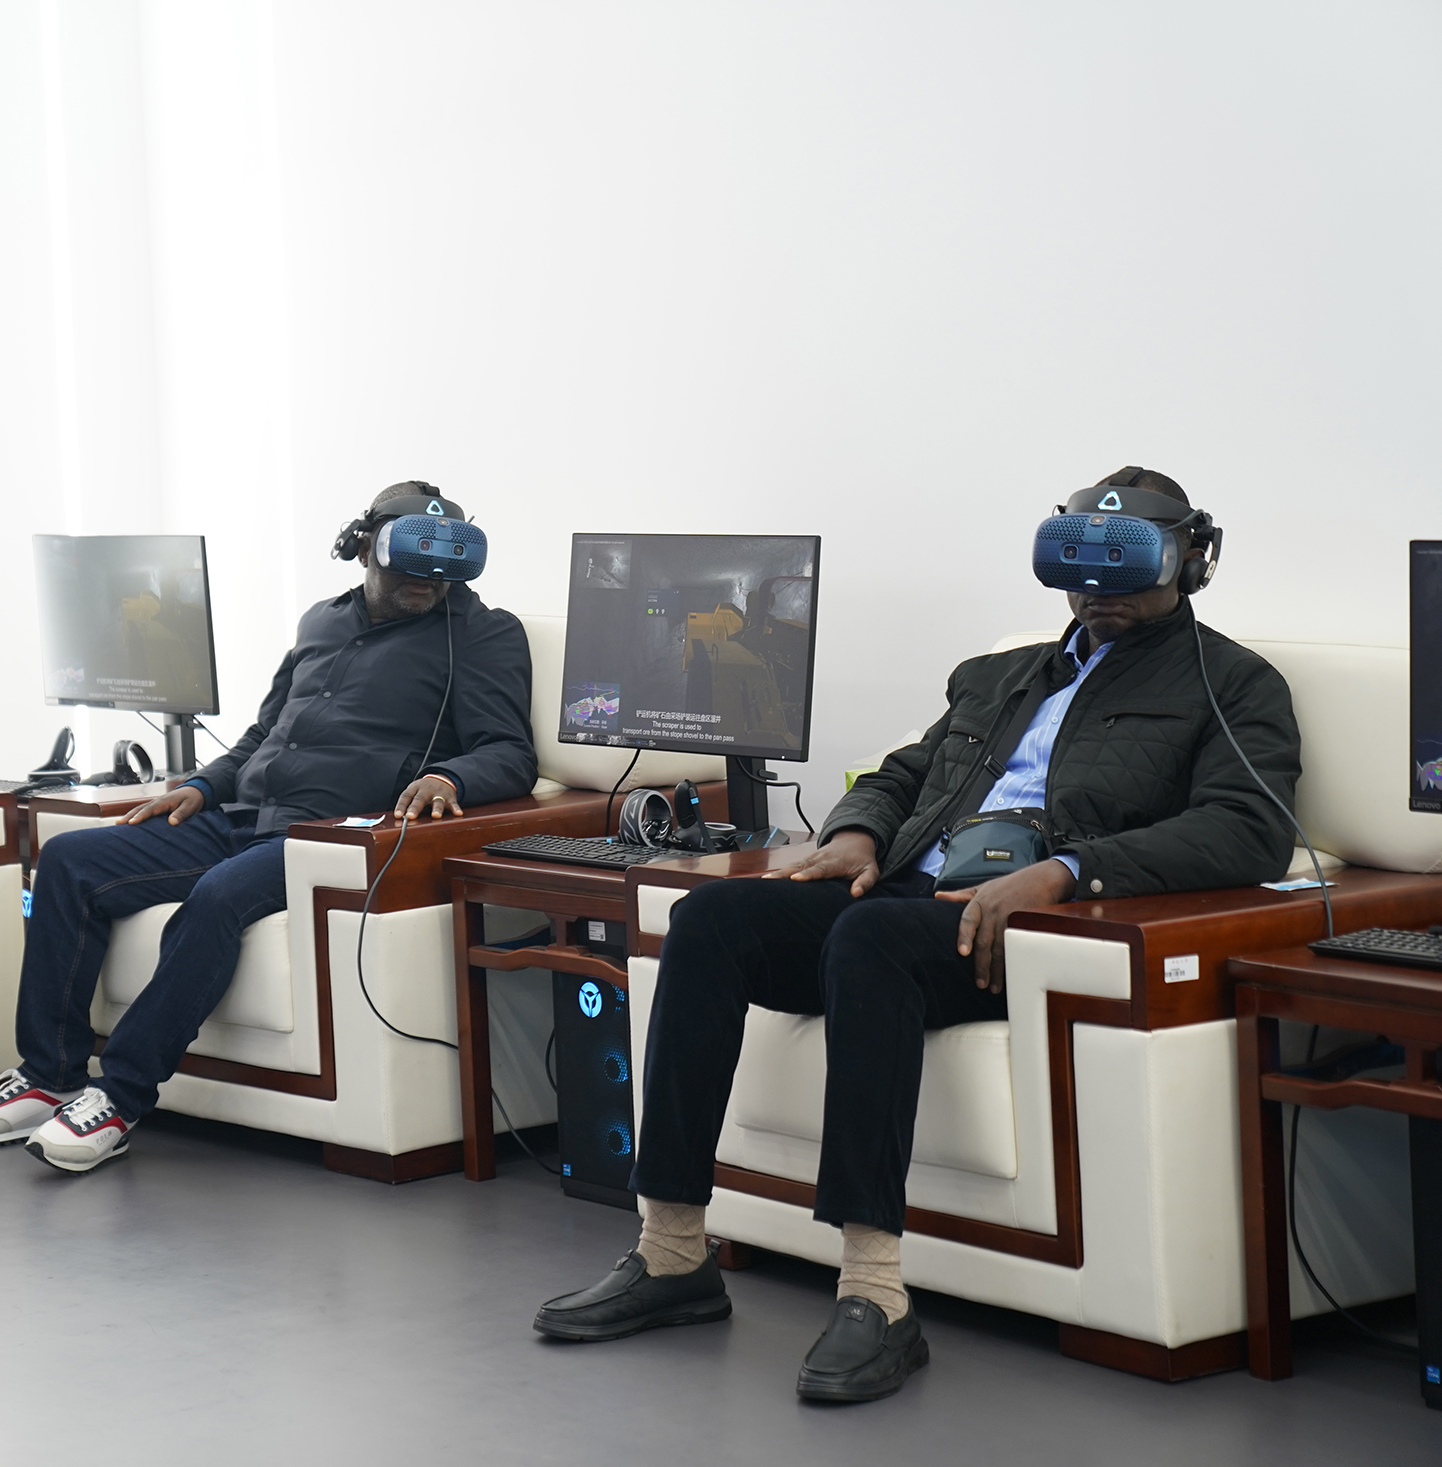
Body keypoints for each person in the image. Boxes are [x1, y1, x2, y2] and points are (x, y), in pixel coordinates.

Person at [532, 468, 1300, 1402]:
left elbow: (1249, 827)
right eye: (1078, 561)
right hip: (901, 892)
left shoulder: (1231, 684)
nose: (1098, 585)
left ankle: (876, 1292)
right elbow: (901, 772)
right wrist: (858, 829)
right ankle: (673, 1252)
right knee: (708, 921)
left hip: (1020, 929)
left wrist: (1069, 871)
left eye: (1127, 561)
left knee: (872, 941)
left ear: (1192, 561)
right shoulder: (1001, 674)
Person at [0, 482, 537, 1171]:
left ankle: (120, 1096)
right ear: (362, 548)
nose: (427, 577)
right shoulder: (322, 621)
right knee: (69, 861)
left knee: (218, 897)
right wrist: (202, 786)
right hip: (241, 816)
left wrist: (452, 778)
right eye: (409, 556)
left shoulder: (482, 632)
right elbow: (264, 734)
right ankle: (49, 1076)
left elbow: (509, 751)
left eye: (444, 562)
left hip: (325, 839)